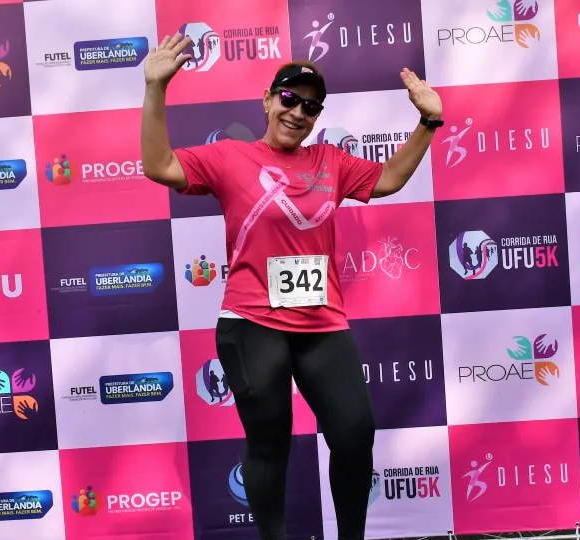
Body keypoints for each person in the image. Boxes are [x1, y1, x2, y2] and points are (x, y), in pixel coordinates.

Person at [140, 32, 444, 540]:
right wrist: (155, 89)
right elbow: (159, 165)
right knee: (269, 442)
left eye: (310, 106)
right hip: (252, 325)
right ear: (268, 100)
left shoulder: (331, 162)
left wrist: (428, 122)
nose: (298, 112)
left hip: (322, 326)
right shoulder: (230, 157)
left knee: (354, 434)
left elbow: (389, 177)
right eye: (289, 98)